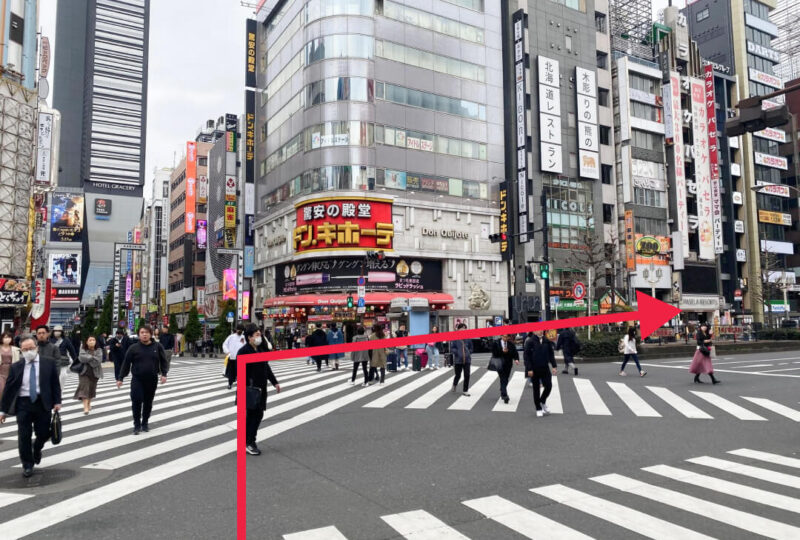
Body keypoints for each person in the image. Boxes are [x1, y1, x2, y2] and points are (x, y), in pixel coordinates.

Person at [0, 336, 62, 477]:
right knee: (24, 435)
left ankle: (37, 447)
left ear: (37, 348)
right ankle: (27, 464)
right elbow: (9, 389)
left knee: (43, 433)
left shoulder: (48, 363)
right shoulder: (16, 367)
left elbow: (55, 384)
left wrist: (57, 402)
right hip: (24, 404)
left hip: (42, 402)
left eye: (31, 349)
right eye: (25, 350)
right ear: (21, 351)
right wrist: (2, 410)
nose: (28, 352)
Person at [116, 326, 169, 434]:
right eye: (142, 332)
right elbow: (126, 364)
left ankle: (145, 423)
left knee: (148, 402)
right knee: (136, 400)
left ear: (151, 334)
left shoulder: (157, 346)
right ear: (139, 334)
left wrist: (164, 374)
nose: (144, 334)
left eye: (147, 332)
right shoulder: (133, 348)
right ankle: (136, 425)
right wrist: (120, 378)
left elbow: (164, 361)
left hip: (152, 379)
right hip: (137, 379)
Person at [240, 324, 280, 455]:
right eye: (256, 335)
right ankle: (250, 442)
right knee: (254, 415)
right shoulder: (244, 351)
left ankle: (247, 441)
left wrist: (275, 383)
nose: (259, 337)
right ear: (249, 337)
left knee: (257, 415)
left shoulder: (260, 350)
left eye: (260, 334)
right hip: (251, 389)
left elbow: (266, 368)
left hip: (261, 388)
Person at [524, 331, 558, 417]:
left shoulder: (546, 340)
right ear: (535, 331)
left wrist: (554, 366)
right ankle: (538, 408)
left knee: (549, 386)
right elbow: (526, 356)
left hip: (545, 367)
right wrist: (529, 369)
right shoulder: (530, 341)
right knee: (536, 389)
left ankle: (542, 401)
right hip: (534, 368)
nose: (539, 331)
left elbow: (551, 354)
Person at [74, 335, 104, 414]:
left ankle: (89, 403)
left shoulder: (99, 350)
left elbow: (98, 361)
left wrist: (88, 358)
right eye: (90, 340)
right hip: (84, 372)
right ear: (86, 342)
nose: (92, 341)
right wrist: (92, 358)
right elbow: (81, 358)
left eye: (93, 340)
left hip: (95, 373)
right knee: (84, 389)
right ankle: (85, 407)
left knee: (91, 389)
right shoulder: (83, 349)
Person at [491, 334, 519, 404]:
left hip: (508, 364)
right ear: (501, 336)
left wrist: (516, 359)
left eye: (507, 337)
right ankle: (504, 395)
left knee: (506, 378)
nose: (505, 338)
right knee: (503, 378)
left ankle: (502, 389)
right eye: (504, 336)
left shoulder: (510, 344)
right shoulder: (496, 343)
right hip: (499, 363)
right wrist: (502, 351)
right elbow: (494, 353)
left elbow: (515, 352)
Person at [449, 323, 473, 396]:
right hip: (458, 360)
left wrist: (469, 352)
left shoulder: (468, 338)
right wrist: (457, 353)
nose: (463, 329)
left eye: (465, 328)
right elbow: (452, 348)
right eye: (462, 328)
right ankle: (455, 384)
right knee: (458, 375)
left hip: (467, 359)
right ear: (458, 329)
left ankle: (465, 390)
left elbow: (471, 347)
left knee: (467, 375)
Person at [223, 324, 246, 389]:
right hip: (232, 357)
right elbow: (224, 344)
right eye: (239, 329)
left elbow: (246, 346)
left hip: (241, 358)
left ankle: (241, 385)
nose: (240, 331)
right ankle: (230, 384)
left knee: (241, 373)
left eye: (241, 330)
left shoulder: (243, 337)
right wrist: (227, 352)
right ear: (236, 329)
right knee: (231, 372)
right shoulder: (231, 337)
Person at [0, 331, 20, 402]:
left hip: (11, 371)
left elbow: (18, 361)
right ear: (2, 338)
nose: (7, 339)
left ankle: (7, 406)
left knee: (9, 389)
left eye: (9, 337)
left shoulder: (15, 349)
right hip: (1, 371)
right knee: (1, 389)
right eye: (5, 337)